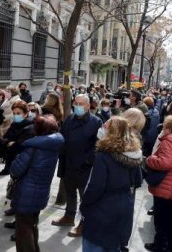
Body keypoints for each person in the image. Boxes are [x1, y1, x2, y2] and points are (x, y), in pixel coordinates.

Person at [81, 116, 143, 252]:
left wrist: (84, 204)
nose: (101, 128)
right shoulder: (134, 154)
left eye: (105, 126)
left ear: (112, 132)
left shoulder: (104, 156)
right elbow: (138, 181)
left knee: (94, 245)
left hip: (102, 211)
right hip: (124, 209)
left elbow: (95, 187)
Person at [11, 115, 64, 252]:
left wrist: (17, 158)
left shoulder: (33, 148)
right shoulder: (54, 145)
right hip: (41, 193)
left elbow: (15, 170)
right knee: (32, 226)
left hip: (26, 194)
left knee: (23, 232)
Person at [52, 94, 102, 237]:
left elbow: (98, 145)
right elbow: (62, 136)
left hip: (84, 167)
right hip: (68, 164)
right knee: (70, 192)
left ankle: (84, 224)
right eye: (76, 103)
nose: (78, 106)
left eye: (81, 104)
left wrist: (87, 161)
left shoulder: (96, 122)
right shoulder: (69, 118)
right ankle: (69, 217)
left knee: (84, 197)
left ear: (88, 106)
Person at [144, 115, 172, 252]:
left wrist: (150, 159)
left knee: (161, 220)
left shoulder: (168, 141)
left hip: (165, 187)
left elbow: (165, 162)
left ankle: (159, 246)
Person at [0, 101, 34, 176]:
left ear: (25, 114)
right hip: (11, 160)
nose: (15, 116)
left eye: (18, 113)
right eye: (14, 113)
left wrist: (10, 143)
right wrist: (8, 143)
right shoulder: (14, 124)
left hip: (22, 163)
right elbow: (2, 140)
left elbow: (18, 146)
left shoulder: (30, 127)